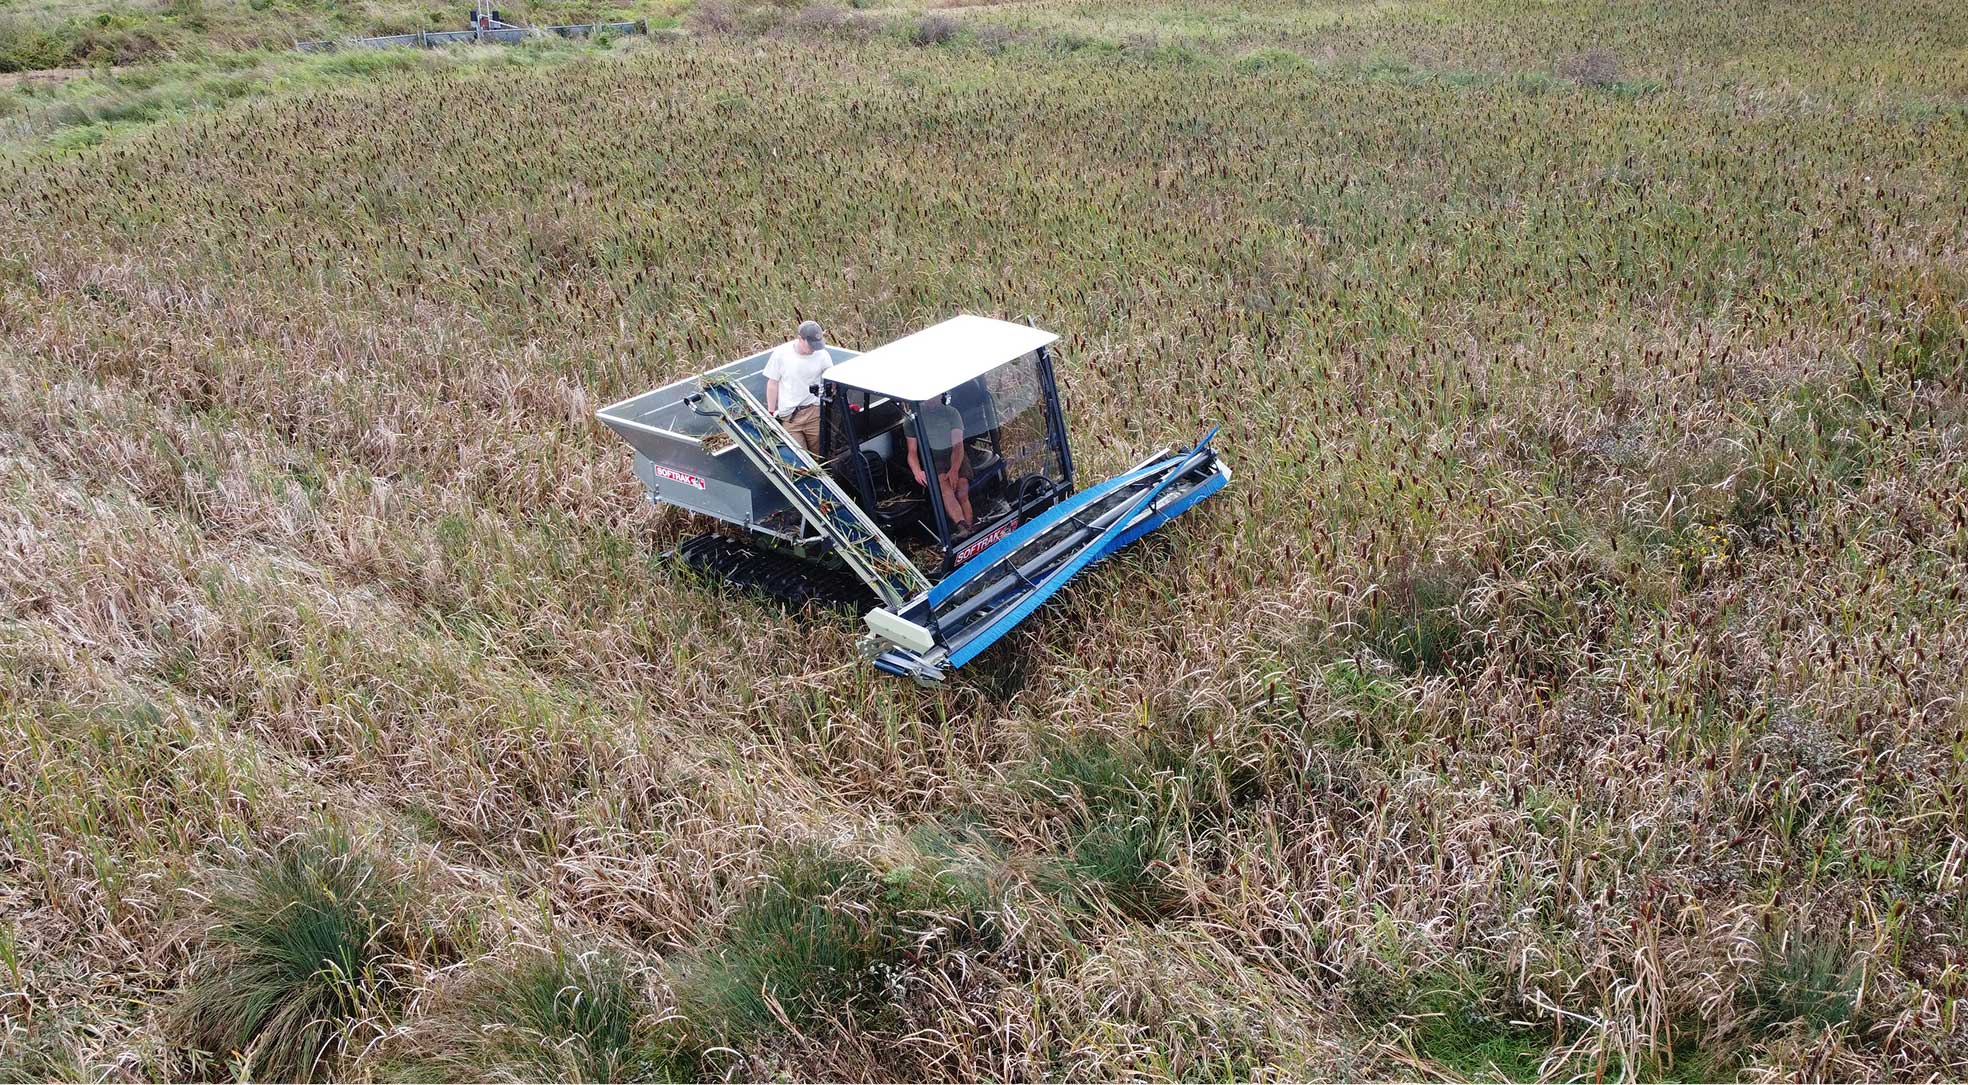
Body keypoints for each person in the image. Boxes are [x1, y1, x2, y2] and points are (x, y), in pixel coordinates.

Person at [763, 320, 833, 455]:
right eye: (811, 345)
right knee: (800, 459)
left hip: (814, 412)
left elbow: (831, 378)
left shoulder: (822, 354)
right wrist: (771, 412)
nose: (814, 349)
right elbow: (773, 383)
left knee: (820, 455)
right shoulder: (781, 354)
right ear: (800, 338)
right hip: (791, 417)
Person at [907, 394, 973, 535]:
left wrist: (954, 469)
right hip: (933, 459)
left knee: (962, 488)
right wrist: (917, 471)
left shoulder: (951, 413)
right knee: (945, 488)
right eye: (927, 398)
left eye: (934, 397)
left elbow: (958, 445)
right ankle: (962, 526)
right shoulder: (912, 420)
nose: (930, 400)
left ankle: (970, 528)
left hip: (955, 455)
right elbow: (912, 452)